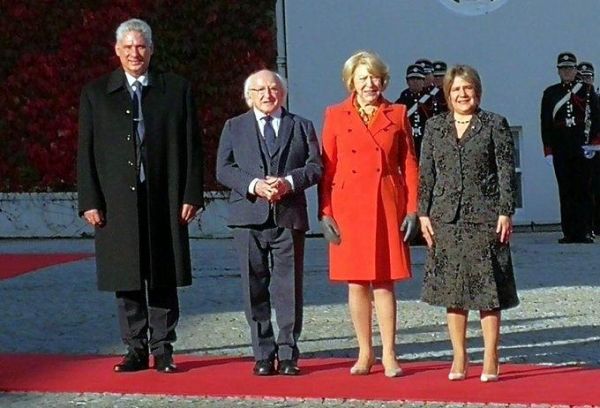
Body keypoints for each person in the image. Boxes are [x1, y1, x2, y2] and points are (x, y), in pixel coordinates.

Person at [77, 18, 203, 373]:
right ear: (117, 50)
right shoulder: (96, 93)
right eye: (128, 47)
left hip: (164, 194)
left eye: (141, 46)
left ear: (151, 50)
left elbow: (193, 146)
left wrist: (192, 192)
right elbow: (84, 150)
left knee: (163, 271)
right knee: (127, 275)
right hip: (117, 199)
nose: (135, 53)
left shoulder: (175, 89)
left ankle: (163, 348)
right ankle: (135, 348)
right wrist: (89, 199)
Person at [319, 51, 419, 377]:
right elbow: (327, 168)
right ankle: (365, 352)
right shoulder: (335, 115)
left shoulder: (398, 113)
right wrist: (326, 212)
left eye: (374, 77)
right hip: (349, 206)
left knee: (384, 282)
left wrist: (413, 209)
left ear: (383, 80)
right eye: (362, 78)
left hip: (386, 202)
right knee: (357, 282)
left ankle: (389, 353)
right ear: (351, 82)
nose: (369, 84)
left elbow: (409, 165)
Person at [216, 69, 322, 376]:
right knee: (254, 286)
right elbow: (223, 168)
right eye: (260, 90)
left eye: (273, 88)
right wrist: (253, 185)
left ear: (283, 93)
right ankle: (263, 353)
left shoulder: (301, 126)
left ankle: (288, 352)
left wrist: (288, 182)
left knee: (288, 287)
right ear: (249, 96)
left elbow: (315, 167)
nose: (267, 94)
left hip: (288, 216)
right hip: (248, 216)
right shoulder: (234, 127)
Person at [418, 64, 519, 382]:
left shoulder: (494, 124)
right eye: (456, 89)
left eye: (468, 88)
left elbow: (505, 170)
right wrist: (423, 212)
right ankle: (459, 356)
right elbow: (426, 173)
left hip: (485, 217)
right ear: (448, 93)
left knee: (488, 292)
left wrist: (506, 210)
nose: (462, 94)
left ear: (478, 90)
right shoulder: (435, 126)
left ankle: (491, 356)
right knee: (454, 293)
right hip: (446, 219)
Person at [541, 52, 599, 243]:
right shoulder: (551, 93)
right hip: (561, 148)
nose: (567, 72)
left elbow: (597, 119)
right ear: (558, 71)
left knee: (582, 190)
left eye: (570, 68)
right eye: (563, 68)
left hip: (581, 147)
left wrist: (595, 143)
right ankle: (569, 232)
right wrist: (548, 149)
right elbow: (546, 123)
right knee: (565, 191)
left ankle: (583, 231)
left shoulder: (587, 91)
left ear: (575, 70)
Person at [395, 64, 427, 158]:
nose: (415, 82)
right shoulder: (401, 102)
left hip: (426, 144)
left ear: (423, 81)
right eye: (412, 79)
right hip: (408, 144)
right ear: (407, 81)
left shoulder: (431, 101)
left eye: (418, 79)